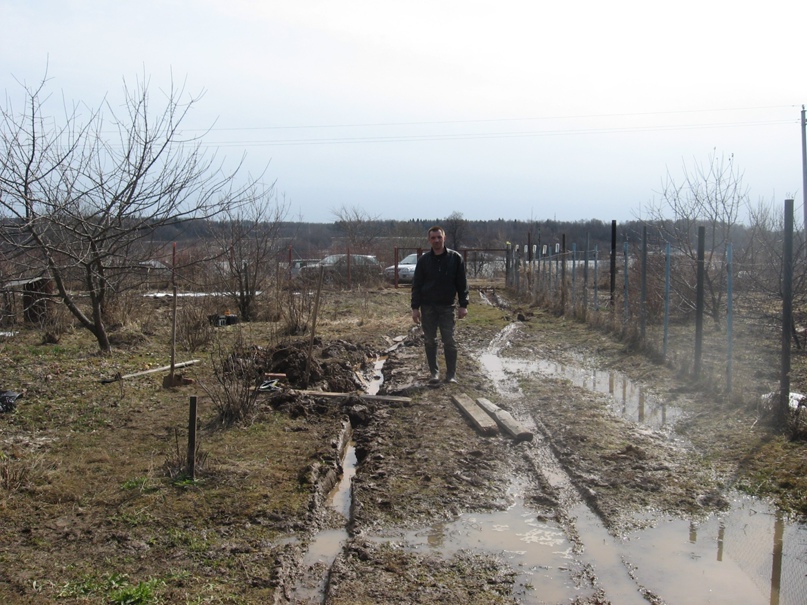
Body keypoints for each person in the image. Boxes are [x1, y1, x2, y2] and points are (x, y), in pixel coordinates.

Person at [411, 226, 469, 384]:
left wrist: (463, 305)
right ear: (429, 240)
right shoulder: (423, 261)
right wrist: (415, 308)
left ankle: (451, 374)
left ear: (444, 238)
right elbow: (416, 285)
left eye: (439, 237)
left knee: (449, 340)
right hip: (428, 307)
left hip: (447, 306)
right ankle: (434, 373)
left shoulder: (455, 258)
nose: (436, 240)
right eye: (433, 238)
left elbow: (462, 283)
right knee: (430, 340)